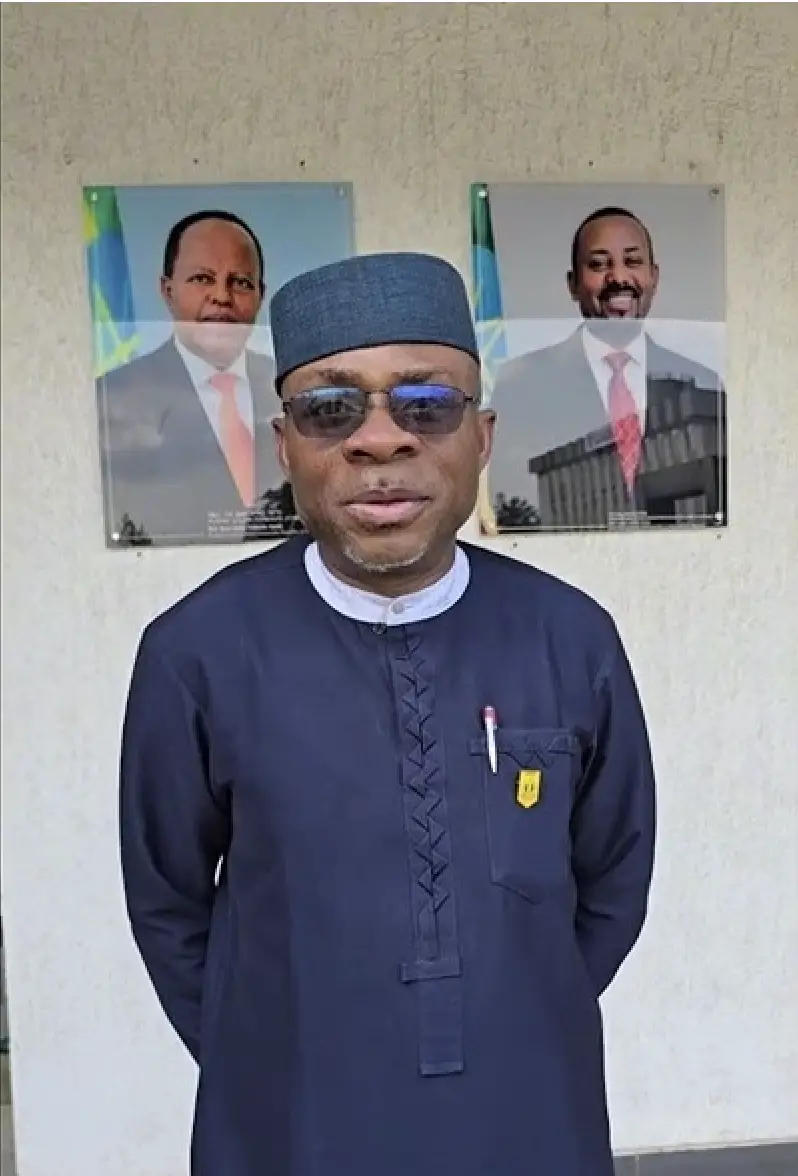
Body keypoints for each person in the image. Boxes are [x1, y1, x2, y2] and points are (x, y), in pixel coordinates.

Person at [119, 251, 656, 1176]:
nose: (379, 441)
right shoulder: (195, 651)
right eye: (332, 409)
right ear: (286, 444)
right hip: (289, 1125)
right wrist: (269, 1051)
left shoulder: (570, 638)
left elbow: (612, 882)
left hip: (529, 1114)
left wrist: (516, 1014)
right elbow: (168, 903)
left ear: (481, 436)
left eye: (426, 404)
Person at [489, 206, 727, 529]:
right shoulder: (519, 383)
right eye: (599, 264)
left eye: (633, 261)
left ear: (654, 277)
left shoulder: (703, 380)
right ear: (573, 284)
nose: (618, 278)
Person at [98, 209, 283, 545]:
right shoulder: (113, 395)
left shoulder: (288, 387)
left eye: (241, 282)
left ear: (260, 295)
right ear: (167, 290)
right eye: (202, 278)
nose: (222, 297)